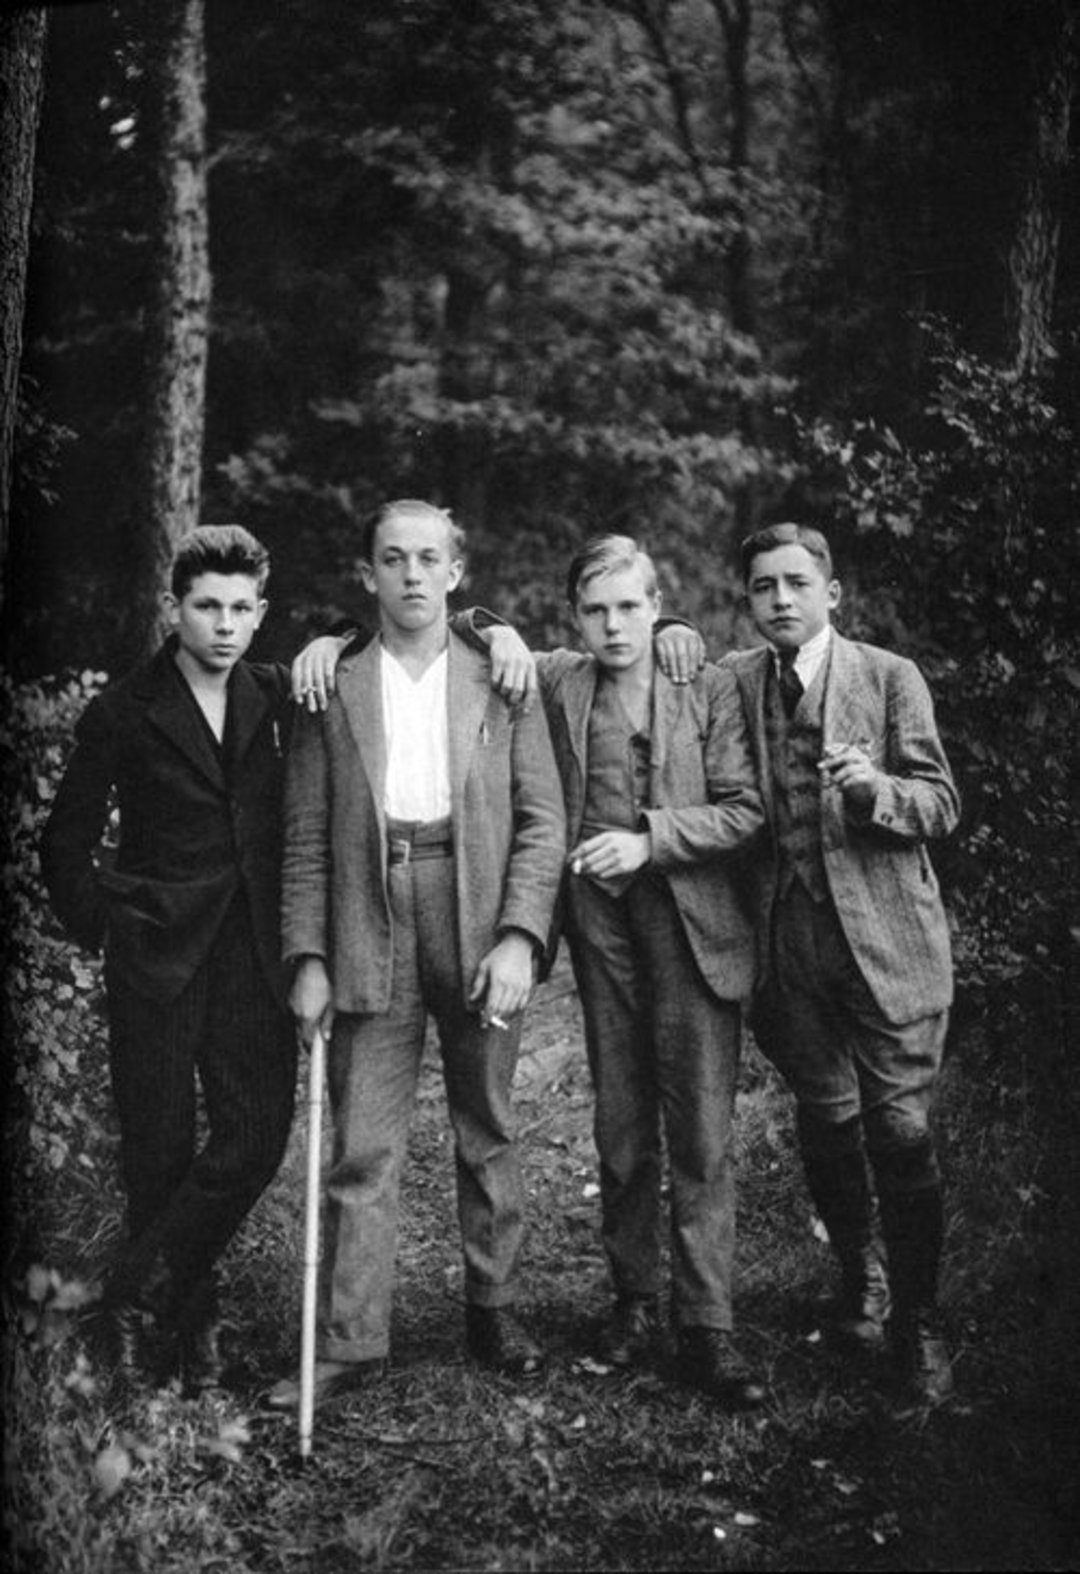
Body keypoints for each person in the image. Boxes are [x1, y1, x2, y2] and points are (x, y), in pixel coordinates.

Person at [454, 535, 768, 1408]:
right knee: (622, 1123)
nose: (614, 624)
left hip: (691, 921)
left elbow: (745, 809)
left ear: (658, 606)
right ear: (574, 618)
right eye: (595, 610)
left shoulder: (703, 684)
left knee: (699, 1128)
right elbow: (461, 627)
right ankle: (633, 1300)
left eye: (631, 606)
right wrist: (494, 627)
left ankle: (707, 1325)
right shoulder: (561, 679)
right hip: (603, 927)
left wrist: (651, 840)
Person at [268, 499, 565, 1411]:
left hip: (474, 906)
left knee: (489, 1124)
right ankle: (351, 1339)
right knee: (362, 1139)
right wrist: (308, 955)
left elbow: (543, 822)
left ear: (455, 571)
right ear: (368, 575)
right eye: (392, 559)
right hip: (369, 909)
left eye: (428, 558)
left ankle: (495, 1309)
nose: (410, 574)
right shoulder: (333, 682)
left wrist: (519, 937)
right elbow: (305, 835)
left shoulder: (502, 672)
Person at [41, 525, 300, 1392]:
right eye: (207, 606)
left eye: (240, 608)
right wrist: (109, 929)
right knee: (159, 1151)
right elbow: (63, 844)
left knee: (255, 1139)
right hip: (154, 955)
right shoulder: (125, 708)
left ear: (260, 613)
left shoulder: (277, 694)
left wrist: (488, 626)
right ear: (172, 607)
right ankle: (191, 1333)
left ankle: (135, 1297)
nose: (224, 625)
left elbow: (365, 654)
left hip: (251, 956)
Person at [728, 522, 959, 1404]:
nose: (780, 599)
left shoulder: (890, 677)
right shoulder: (736, 681)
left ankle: (920, 1322)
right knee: (826, 1118)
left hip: (887, 942)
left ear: (831, 593)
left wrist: (874, 793)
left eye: (796, 582)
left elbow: (941, 802)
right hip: (790, 951)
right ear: (747, 602)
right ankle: (860, 1279)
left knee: (899, 1131)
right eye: (763, 586)